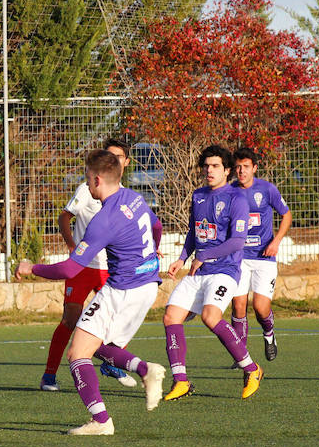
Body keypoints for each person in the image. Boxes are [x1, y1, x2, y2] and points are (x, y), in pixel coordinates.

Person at [15, 150, 166, 435]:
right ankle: (146, 370)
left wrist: (31, 268)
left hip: (123, 288)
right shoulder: (135, 198)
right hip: (147, 285)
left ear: (97, 180)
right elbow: (156, 226)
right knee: (95, 345)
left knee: (77, 354)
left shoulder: (104, 219)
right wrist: (154, 252)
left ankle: (101, 421)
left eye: (86, 179)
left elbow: (71, 269)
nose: (86, 184)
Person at [162, 145, 263, 402]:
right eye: (206, 165)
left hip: (225, 270)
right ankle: (181, 381)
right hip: (199, 269)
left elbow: (238, 241)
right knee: (171, 316)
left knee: (210, 316)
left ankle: (252, 369)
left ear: (227, 170)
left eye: (216, 166)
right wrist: (182, 258)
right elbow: (193, 234)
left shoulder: (237, 198)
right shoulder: (198, 196)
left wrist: (203, 256)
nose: (209, 170)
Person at [39, 139, 140, 392]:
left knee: (116, 320)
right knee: (70, 320)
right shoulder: (87, 189)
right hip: (83, 268)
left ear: (125, 163)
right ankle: (49, 375)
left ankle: (111, 364)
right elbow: (65, 216)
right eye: (109, 155)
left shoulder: (125, 194)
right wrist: (71, 245)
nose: (114, 160)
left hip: (110, 268)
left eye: (118, 156)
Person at [230, 147, 292, 361]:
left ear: (254, 168)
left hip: (264, 258)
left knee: (260, 306)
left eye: (246, 166)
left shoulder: (267, 189)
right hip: (238, 258)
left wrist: (276, 242)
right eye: (238, 167)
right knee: (238, 305)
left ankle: (269, 334)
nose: (242, 171)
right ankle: (240, 353)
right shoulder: (229, 192)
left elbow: (286, 215)